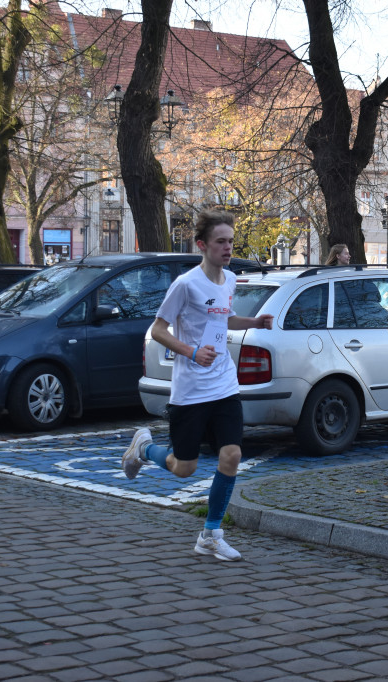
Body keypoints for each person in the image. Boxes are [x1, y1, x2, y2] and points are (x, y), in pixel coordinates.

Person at [121, 209, 273, 560]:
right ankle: (143, 449)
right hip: (190, 390)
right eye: (221, 242)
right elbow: (159, 329)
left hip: (224, 384)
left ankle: (211, 533)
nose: (228, 248)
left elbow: (224, 318)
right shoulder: (186, 284)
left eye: (231, 241)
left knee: (231, 455)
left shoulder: (230, 280)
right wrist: (191, 351)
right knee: (183, 467)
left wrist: (256, 322)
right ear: (203, 245)